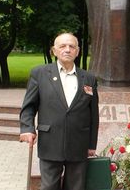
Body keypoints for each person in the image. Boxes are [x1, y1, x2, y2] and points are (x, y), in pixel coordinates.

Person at [19, 33, 99, 190]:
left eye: (72, 46)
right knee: (49, 186)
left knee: (76, 187)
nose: (67, 50)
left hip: (79, 144)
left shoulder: (89, 78)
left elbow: (93, 115)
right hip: (50, 142)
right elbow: (29, 106)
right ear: (54, 51)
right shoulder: (40, 74)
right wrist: (27, 129)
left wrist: (91, 144)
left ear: (77, 51)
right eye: (62, 46)